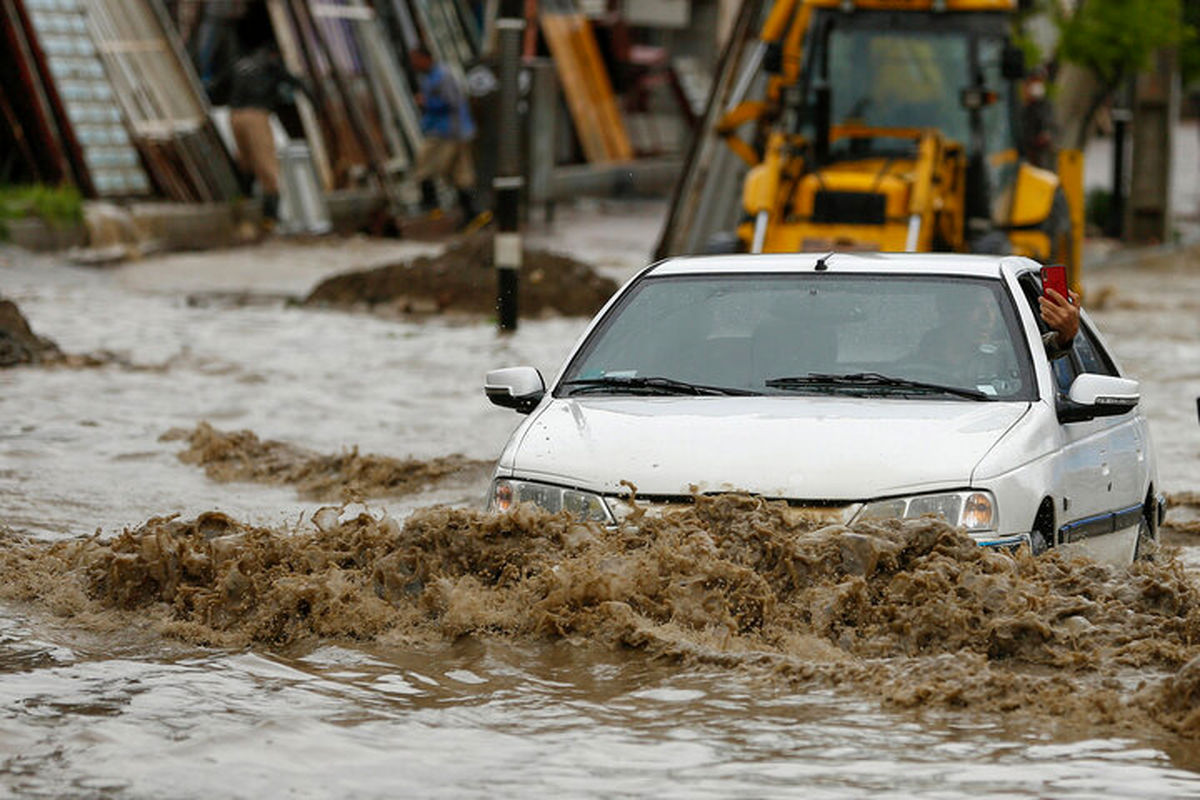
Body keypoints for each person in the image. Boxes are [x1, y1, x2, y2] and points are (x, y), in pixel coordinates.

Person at [224, 39, 308, 227]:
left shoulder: (241, 64)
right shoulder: (271, 64)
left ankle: (243, 203)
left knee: (245, 160)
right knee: (267, 164)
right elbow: (295, 83)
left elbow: (219, 86)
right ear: (275, 54)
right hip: (256, 115)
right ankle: (270, 217)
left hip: (235, 116)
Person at [409, 46, 479, 226]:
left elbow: (452, 102)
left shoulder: (442, 76)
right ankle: (473, 214)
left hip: (448, 131)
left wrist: (427, 102)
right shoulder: (434, 76)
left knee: (424, 166)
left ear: (425, 58)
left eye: (416, 59)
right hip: (455, 130)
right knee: (460, 174)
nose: (413, 64)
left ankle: (432, 209)